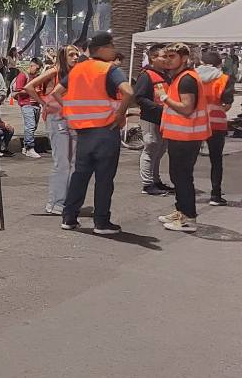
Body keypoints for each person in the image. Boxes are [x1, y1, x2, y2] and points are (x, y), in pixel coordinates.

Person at [53, 33, 133, 235]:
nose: (114, 49)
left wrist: (70, 110)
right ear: (102, 49)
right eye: (111, 46)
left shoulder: (78, 70)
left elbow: (56, 92)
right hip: (106, 131)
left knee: (80, 175)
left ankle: (69, 218)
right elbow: (129, 92)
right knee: (104, 178)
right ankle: (101, 222)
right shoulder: (109, 69)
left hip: (83, 132)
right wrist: (120, 114)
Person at [156, 43, 211, 232]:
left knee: (182, 177)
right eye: (166, 56)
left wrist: (164, 98)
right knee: (178, 176)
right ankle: (181, 211)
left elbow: (187, 108)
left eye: (172, 56)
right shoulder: (181, 77)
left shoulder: (186, 79)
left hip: (186, 136)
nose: (167, 60)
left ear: (184, 58)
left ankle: (188, 218)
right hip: (182, 135)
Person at [22, 45, 79, 214]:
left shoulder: (74, 73)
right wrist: (43, 103)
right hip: (57, 119)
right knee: (62, 162)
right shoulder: (55, 71)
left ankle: (65, 199)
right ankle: (55, 202)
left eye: (77, 54)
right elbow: (29, 87)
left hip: (71, 119)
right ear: (63, 57)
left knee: (73, 162)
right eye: (71, 54)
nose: (75, 57)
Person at [134, 45, 174, 196]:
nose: (166, 60)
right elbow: (139, 97)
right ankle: (147, 184)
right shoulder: (146, 76)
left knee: (160, 150)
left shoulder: (165, 75)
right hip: (151, 119)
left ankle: (156, 180)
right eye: (163, 56)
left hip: (164, 119)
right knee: (151, 149)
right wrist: (159, 109)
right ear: (153, 58)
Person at [198, 50, 232, 206]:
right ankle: (215, 195)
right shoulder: (224, 79)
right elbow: (227, 103)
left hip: (196, 123)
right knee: (216, 160)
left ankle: (186, 190)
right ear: (219, 64)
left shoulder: (193, 76)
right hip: (217, 123)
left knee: (189, 160)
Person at [12, 56, 44, 159]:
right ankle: (30, 148)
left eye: (39, 69)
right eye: (37, 68)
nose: (37, 71)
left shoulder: (37, 76)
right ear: (32, 65)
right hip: (26, 104)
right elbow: (18, 91)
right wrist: (31, 90)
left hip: (36, 105)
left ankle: (26, 147)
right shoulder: (23, 75)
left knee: (33, 127)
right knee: (30, 126)